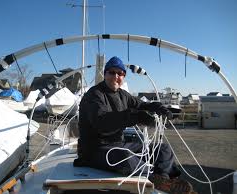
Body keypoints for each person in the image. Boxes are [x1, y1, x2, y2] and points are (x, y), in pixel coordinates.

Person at [74, 56, 196, 194]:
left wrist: (158, 107)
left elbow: (142, 104)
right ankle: (151, 177)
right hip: (94, 149)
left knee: (163, 149)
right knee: (124, 156)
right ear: (105, 74)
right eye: (112, 72)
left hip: (117, 144)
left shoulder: (123, 95)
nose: (116, 76)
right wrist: (136, 116)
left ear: (124, 77)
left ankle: (163, 180)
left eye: (120, 74)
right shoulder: (94, 95)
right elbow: (101, 122)